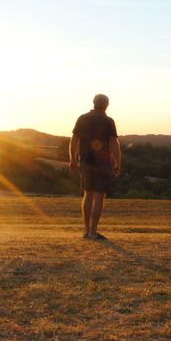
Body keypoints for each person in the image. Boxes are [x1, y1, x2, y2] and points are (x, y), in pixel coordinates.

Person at [69, 94, 121, 240]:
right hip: (103, 163)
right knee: (99, 197)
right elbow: (114, 144)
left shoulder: (82, 118)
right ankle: (93, 231)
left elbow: (73, 141)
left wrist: (72, 159)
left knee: (87, 195)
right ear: (107, 105)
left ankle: (86, 230)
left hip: (85, 161)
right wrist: (118, 163)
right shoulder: (109, 121)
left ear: (94, 103)